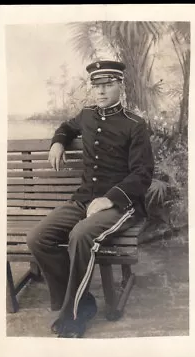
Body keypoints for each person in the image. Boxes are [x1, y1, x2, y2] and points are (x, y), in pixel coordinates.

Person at [26, 60, 155, 338]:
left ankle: (73, 315)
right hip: (84, 200)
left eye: (107, 85)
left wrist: (110, 199)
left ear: (120, 86)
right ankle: (83, 301)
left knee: (80, 235)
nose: (100, 91)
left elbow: (143, 173)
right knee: (38, 237)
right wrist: (58, 141)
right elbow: (66, 127)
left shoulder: (135, 124)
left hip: (122, 203)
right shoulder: (87, 115)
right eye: (96, 85)